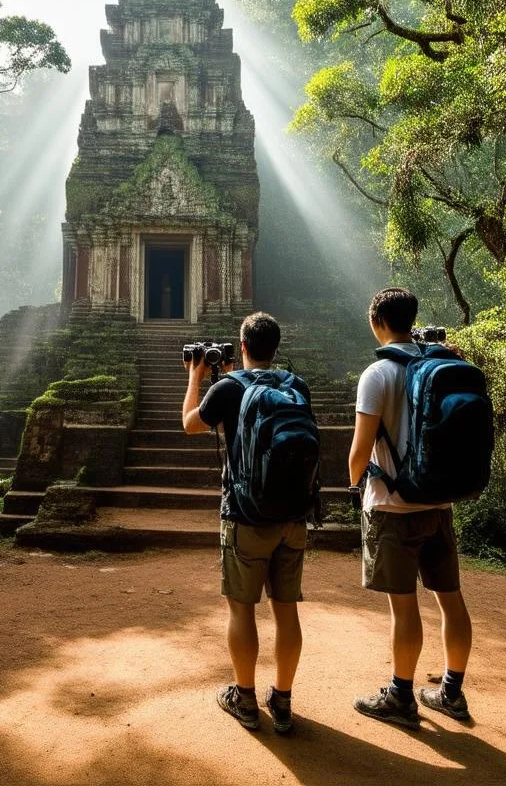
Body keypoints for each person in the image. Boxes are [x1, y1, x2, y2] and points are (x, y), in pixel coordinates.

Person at [348, 287, 473, 728]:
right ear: (412, 318)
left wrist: (354, 483)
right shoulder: (442, 362)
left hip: (393, 506)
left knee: (405, 608)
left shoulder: (377, 373)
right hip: (438, 501)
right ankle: (452, 693)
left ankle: (401, 697)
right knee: (450, 601)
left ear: (376, 321)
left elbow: (360, 451)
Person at [182, 312, 311, 734]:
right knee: (286, 611)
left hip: (245, 516)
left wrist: (196, 376)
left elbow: (190, 425)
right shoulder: (296, 387)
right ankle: (285, 701)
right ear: (276, 347)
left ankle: (245, 698)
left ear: (242, 347)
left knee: (242, 611)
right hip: (294, 517)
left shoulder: (228, 388)